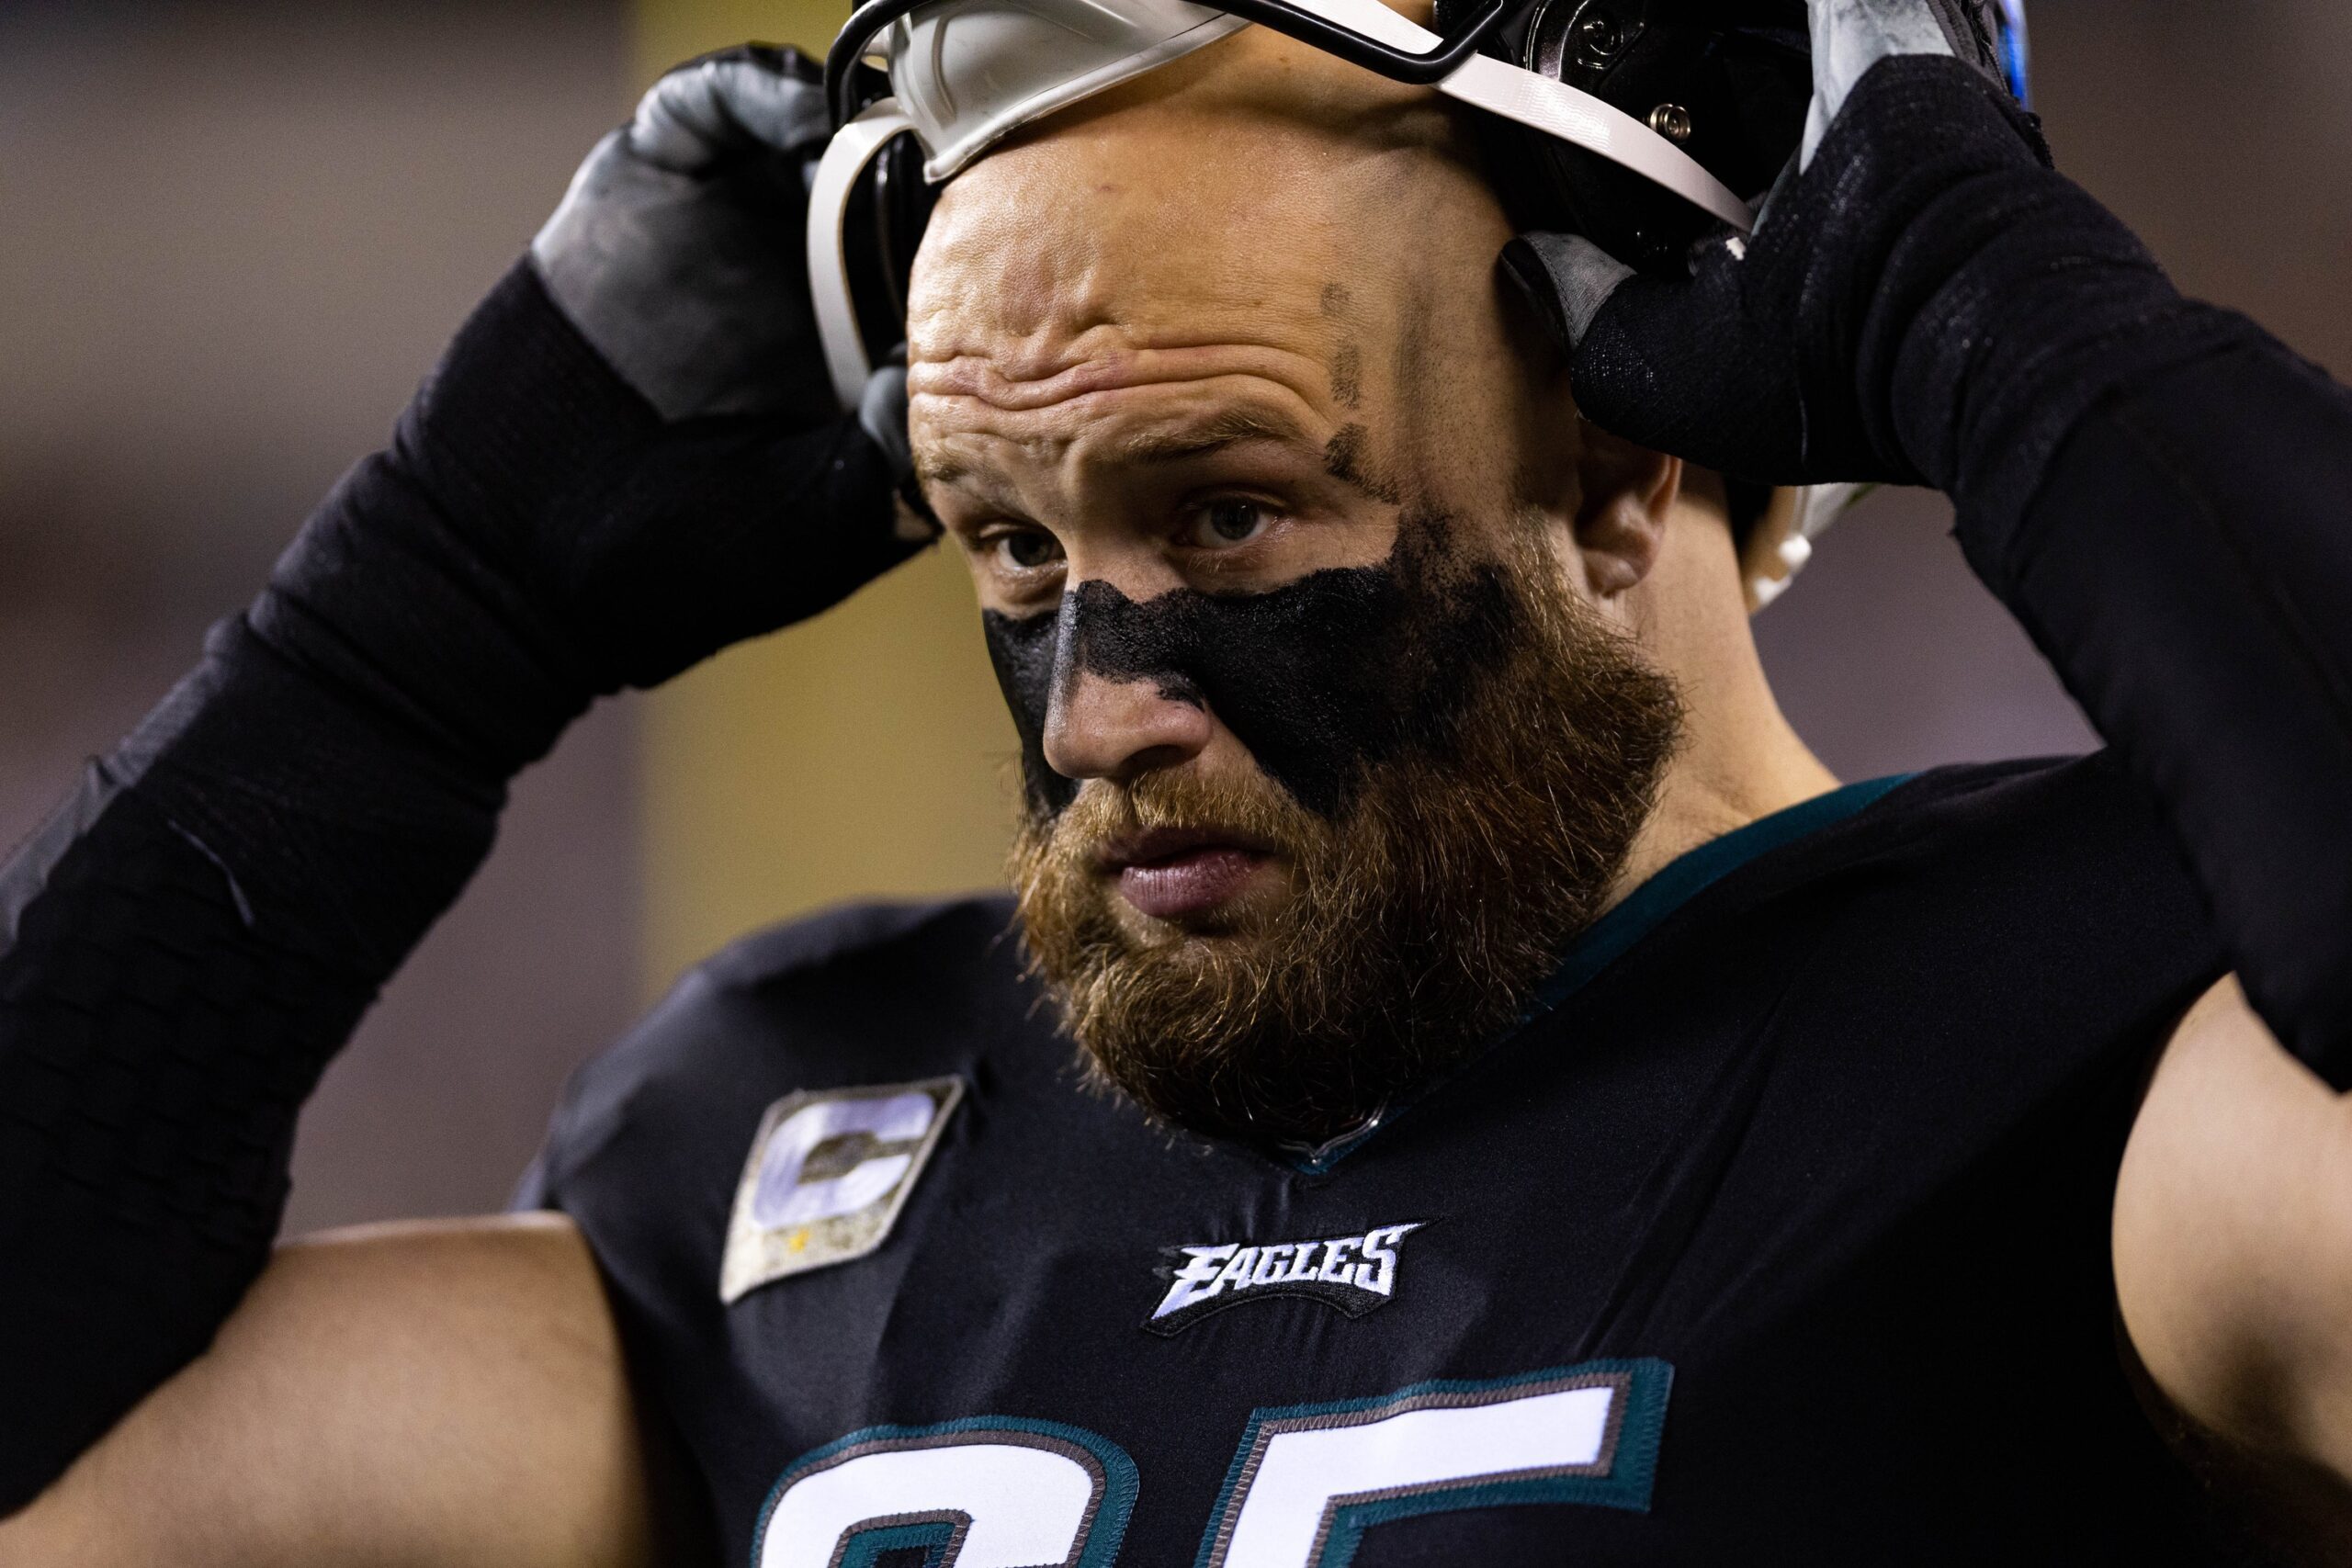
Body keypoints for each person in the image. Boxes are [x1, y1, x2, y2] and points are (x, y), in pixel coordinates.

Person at [5, 0, 2351, 1561]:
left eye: (1225, 517)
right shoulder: (779, 1146)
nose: (1095, 707)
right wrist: (415, 625)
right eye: (1014, 546)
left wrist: (2015, 334)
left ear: (1638, 454)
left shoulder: (2101, 1070)